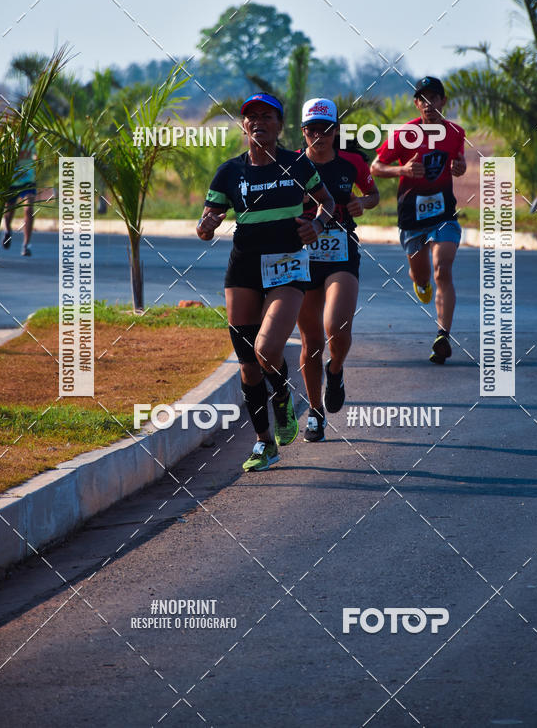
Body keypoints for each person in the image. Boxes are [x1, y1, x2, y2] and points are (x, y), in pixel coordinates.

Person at [197, 93, 335, 470]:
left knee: (267, 348)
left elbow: (328, 203)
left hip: (288, 266)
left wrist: (317, 225)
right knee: (246, 364)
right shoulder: (229, 172)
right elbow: (207, 223)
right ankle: (264, 443)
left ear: (280, 125)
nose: (258, 122)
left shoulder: (297, 165)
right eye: (251, 117)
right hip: (242, 269)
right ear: (244, 126)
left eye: (266, 116)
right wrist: (205, 226)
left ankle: (282, 396)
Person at [297, 98, 380, 441]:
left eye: (326, 129)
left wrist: (363, 202)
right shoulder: (292, 166)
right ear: (303, 132)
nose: (319, 135)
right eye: (312, 129)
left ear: (336, 131)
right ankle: (315, 413)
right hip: (301, 256)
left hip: (342, 251)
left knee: (336, 326)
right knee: (311, 339)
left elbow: (373, 194)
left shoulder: (353, 162)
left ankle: (337, 369)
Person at [370, 77, 466, 364]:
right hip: (412, 217)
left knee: (442, 270)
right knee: (423, 276)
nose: (428, 104)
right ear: (417, 104)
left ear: (442, 102)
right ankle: (419, 282)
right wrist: (403, 170)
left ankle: (443, 335)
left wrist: (459, 167)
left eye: (434, 98)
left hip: (443, 215)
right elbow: (375, 167)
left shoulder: (454, 132)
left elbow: (457, 165)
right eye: (423, 99)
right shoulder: (404, 134)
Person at [2, 135, 37, 256]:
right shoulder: (9, 135)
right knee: (9, 211)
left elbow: (35, 154)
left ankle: (26, 245)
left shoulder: (32, 135)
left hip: (28, 180)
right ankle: (7, 230)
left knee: (29, 210)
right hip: (12, 180)